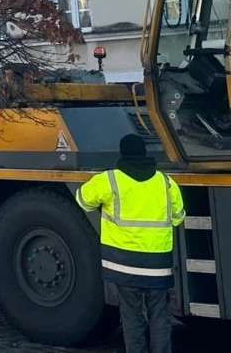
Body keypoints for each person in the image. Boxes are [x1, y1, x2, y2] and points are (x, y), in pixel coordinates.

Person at [76, 134, 184, 353]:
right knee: (160, 316)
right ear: (145, 153)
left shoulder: (110, 179)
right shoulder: (165, 182)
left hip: (123, 264)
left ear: (122, 153)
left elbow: (83, 200)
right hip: (157, 266)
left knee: (131, 316)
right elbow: (178, 217)